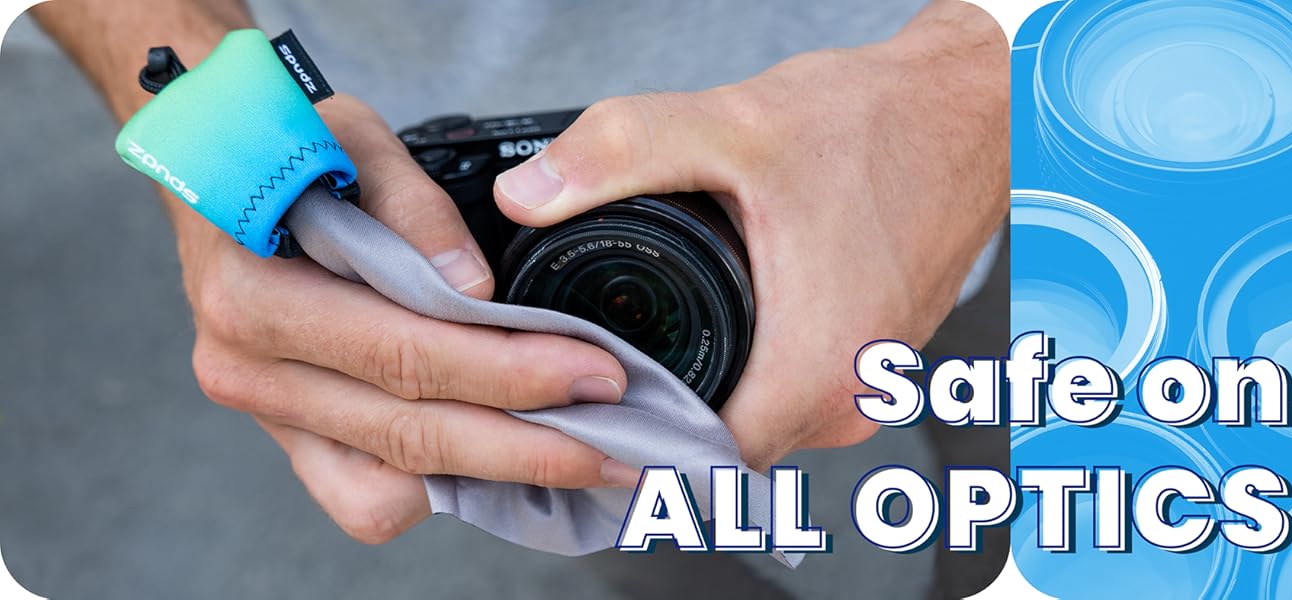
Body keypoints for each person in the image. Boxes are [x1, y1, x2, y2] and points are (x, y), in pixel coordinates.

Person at [31, 0, 1009, 596]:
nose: (620, 341)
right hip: (390, 193)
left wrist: (981, 86)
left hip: (966, 190)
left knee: (1014, 478)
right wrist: (229, 146)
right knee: (597, 498)